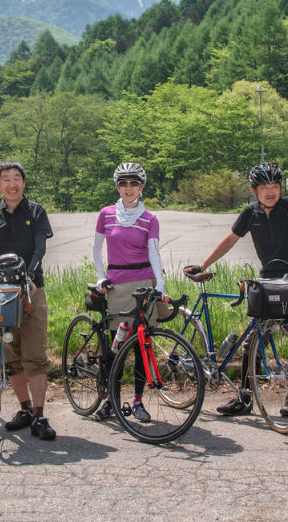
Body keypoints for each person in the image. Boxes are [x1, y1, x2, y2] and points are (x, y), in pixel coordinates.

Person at [184, 162, 288, 416]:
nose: (270, 192)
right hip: (268, 282)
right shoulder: (251, 213)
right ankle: (244, 398)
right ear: (254, 190)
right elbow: (230, 239)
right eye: (264, 187)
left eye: (275, 186)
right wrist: (203, 265)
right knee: (254, 340)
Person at [0, 161, 56, 441]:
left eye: (17, 178)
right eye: (5, 179)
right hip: (0, 294)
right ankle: (25, 408)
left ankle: (40, 415)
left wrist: (28, 275)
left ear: (23, 183)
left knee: (36, 356)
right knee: (12, 356)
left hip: (31, 290)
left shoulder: (36, 212)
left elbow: (40, 247)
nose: (12, 184)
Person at [91, 162, 170, 423]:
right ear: (117, 186)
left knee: (140, 347)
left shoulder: (150, 218)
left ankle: (137, 400)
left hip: (143, 283)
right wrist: (100, 277)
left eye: (134, 183)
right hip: (117, 284)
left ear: (142, 186)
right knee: (116, 348)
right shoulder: (106, 214)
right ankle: (110, 400)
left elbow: (154, 252)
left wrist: (160, 283)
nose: (128, 188)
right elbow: (96, 249)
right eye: (123, 183)